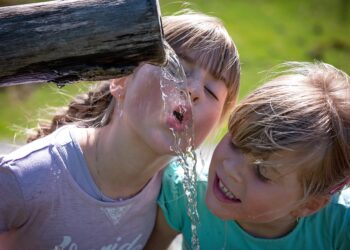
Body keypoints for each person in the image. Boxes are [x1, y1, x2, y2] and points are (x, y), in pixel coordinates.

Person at [0, 12, 240, 249]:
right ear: (120, 80)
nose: (193, 90)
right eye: (176, 69)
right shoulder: (31, 175)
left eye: (211, 91)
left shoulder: (172, 195)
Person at [147, 61, 350, 250]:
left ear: (308, 205)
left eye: (262, 172)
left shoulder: (339, 226)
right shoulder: (185, 192)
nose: (231, 168)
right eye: (236, 143)